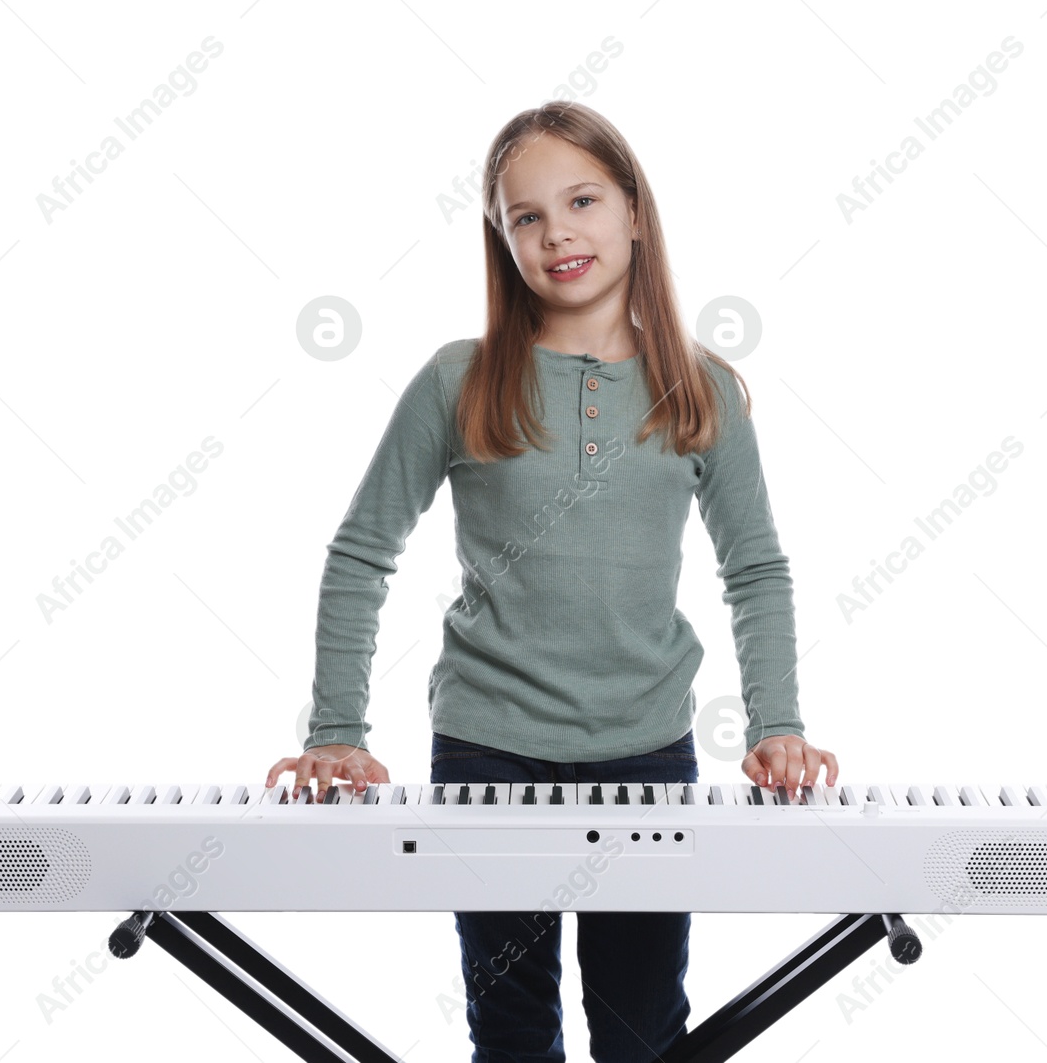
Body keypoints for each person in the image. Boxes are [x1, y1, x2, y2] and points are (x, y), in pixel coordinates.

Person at [266, 100, 839, 1063]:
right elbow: (363, 551)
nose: (557, 231)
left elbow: (757, 567)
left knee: (642, 1032)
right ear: (501, 238)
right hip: (488, 750)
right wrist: (335, 734)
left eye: (581, 200)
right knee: (513, 1031)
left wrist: (778, 724)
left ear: (634, 213)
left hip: (648, 754)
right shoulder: (459, 379)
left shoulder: (699, 392)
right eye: (525, 216)